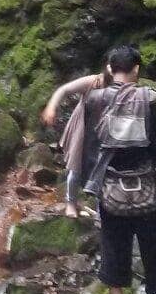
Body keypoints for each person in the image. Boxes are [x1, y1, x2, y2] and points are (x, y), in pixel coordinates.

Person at [75, 44, 156, 294]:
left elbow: (89, 144)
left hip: (110, 187)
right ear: (137, 69)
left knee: (113, 245)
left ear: (110, 68)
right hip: (145, 186)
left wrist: (86, 185)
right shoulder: (146, 99)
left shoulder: (95, 100)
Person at [41, 69, 109, 216]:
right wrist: (51, 107)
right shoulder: (93, 81)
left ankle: (101, 211)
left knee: (103, 170)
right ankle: (71, 203)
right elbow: (64, 89)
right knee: (76, 167)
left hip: (104, 129)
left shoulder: (122, 85)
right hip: (83, 127)